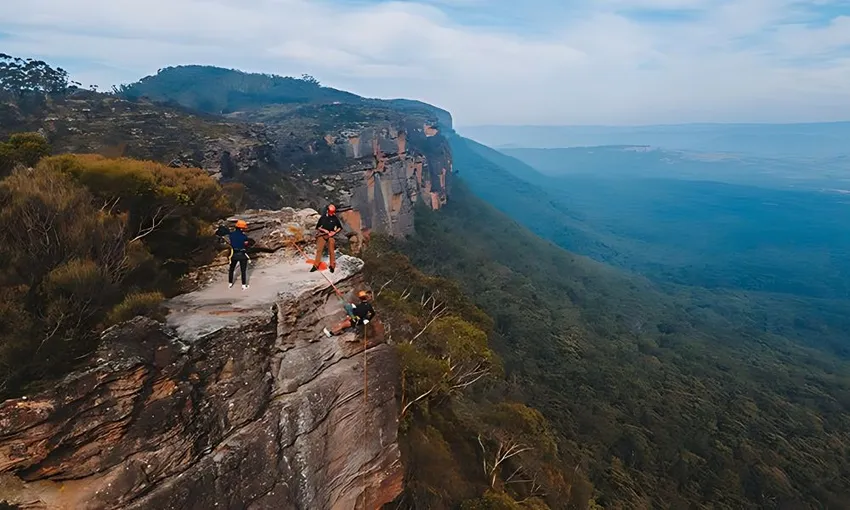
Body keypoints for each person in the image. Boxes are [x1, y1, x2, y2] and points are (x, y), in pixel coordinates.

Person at [216, 219, 255, 290]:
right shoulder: (244, 237)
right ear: (241, 228)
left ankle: (230, 284)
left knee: (231, 269)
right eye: (243, 228)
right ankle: (244, 285)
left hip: (233, 254)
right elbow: (246, 245)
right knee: (243, 271)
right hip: (242, 254)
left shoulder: (231, 235)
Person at [312, 204, 343, 273]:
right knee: (319, 250)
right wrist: (324, 230)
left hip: (330, 235)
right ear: (328, 211)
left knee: (331, 251)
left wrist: (334, 232)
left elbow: (340, 227)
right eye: (331, 212)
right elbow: (318, 227)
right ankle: (316, 265)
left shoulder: (334, 218)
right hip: (322, 235)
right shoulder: (323, 217)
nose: (332, 213)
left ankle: (332, 266)